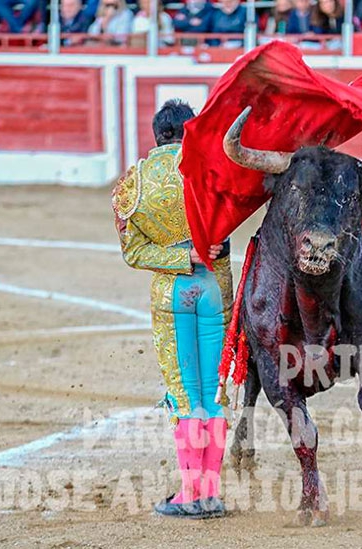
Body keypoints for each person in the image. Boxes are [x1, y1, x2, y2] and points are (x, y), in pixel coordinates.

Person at [111, 99, 233, 519]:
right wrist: (214, 246)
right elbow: (242, 209)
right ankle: (211, 494)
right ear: (190, 131)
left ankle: (189, 493)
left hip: (172, 294)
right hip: (215, 287)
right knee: (213, 393)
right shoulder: (214, 169)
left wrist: (181, 259)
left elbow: (132, 251)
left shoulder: (135, 182)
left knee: (184, 393)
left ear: (157, 135)